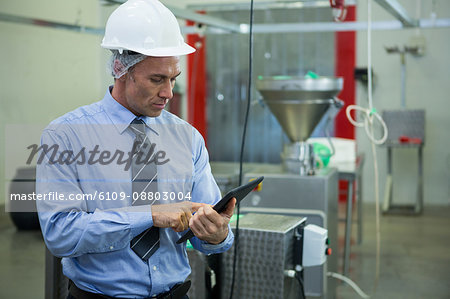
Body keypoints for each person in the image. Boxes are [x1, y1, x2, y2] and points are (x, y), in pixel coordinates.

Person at [36, 0, 235, 298]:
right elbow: (60, 235)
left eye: (173, 79)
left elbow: (208, 235)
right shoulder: (66, 136)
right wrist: (151, 215)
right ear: (121, 69)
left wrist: (217, 234)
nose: (168, 93)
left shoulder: (188, 138)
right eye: (157, 79)